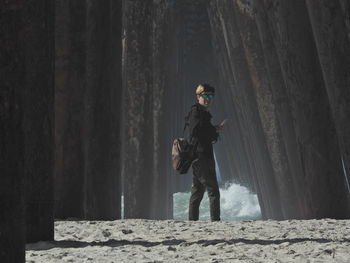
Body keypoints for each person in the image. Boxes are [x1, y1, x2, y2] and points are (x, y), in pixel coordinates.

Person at [187, 84, 225, 221]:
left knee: (197, 192)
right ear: (198, 96)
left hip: (200, 156)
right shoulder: (196, 112)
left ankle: (192, 221)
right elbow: (196, 132)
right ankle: (215, 221)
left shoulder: (201, 112)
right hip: (201, 155)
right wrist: (213, 131)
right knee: (213, 191)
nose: (208, 99)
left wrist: (214, 129)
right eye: (205, 96)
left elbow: (202, 131)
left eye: (211, 96)